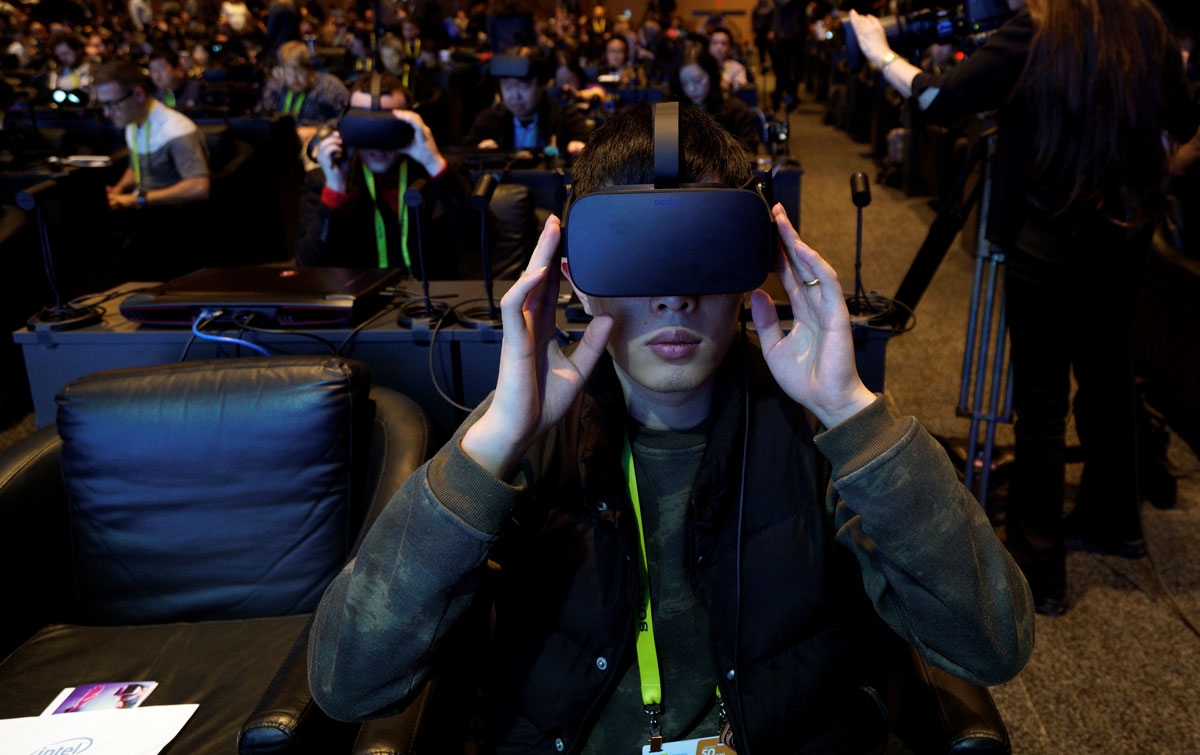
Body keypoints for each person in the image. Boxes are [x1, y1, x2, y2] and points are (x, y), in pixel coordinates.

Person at [307, 103, 1033, 753]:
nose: (676, 295)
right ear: (574, 274)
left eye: (704, 250)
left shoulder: (820, 435)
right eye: (636, 251)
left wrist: (853, 413)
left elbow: (993, 643)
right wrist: (493, 440)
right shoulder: (521, 442)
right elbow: (348, 684)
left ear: (758, 264)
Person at [849, 0, 1200, 616]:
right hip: (1123, 243)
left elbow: (938, 97)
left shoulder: (1039, 31)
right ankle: (1114, 520)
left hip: (1046, 245)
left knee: (1040, 404)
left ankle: (1042, 567)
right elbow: (1182, 118)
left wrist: (880, 53)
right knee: (1109, 376)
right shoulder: (1146, 24)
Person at [296, 73, 473, 279]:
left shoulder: (440, 172)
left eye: (387, 125)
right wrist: (336, 188)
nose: (377, 140)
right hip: (360, 303)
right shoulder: (323, 181)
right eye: (366, 125)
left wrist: (434, 165)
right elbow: (308, 267)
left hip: (431, 302)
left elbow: (480, 241)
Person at [96, 60, 210, 211]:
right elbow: (136, 167)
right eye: (103, 105)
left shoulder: (176, 129)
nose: (107, 113)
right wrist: (118, 189)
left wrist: (137, 199)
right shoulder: (133, 122)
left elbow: (198, 187)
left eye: (113, 104)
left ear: (139, 95)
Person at [465, 52, 590, 154]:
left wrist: (577, 149)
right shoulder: (490, 119)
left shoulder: (563, 115)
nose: (515, 96)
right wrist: (479, 152)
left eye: (523, 87)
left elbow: (587, 143)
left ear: (542, 85)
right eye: (508, 87)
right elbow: (467, 150)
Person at [672, 43, 760, 154]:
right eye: (684, 83)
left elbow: (748, 151)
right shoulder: (677, 110)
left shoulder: (736, 109)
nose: (691, 88)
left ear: (711, 75)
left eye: (697, 80)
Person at [259, 40, 350, 144]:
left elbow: (349, 118)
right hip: (281, 144)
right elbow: (261, 115)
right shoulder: (276, 86)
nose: (294, 79)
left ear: (309, 68)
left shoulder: (329, 86)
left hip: (318, 143)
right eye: (289, 73)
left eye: (299, 72)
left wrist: (318, 130)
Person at [148, 47, 205, 111]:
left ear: (179, 69)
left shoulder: (197, 90)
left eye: (160, 69)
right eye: (152, 71)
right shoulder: (155, 98)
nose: (156, 76)